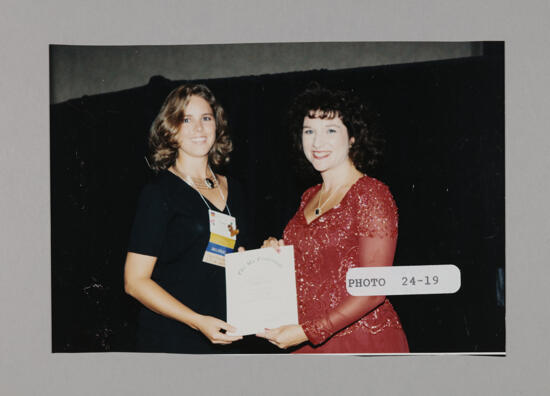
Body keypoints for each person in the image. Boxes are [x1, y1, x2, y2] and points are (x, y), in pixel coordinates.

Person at [257, 84, 409, 353]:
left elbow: (374, 290)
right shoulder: (309, 195)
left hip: (359, 343)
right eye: (309, 131)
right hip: (306, 342)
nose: (317, 142)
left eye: (330, 130)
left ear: (352, 137)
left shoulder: (370, 193)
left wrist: (308, 331)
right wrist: (275, 254)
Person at [124, 84, 247, 353]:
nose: (199, 128)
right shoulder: (158, 193)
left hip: (226, 332)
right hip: (173, 338)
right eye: (186, 120)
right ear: (171, 129)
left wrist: (264, 253)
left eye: (206, 118)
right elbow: (134, 282)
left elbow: (231, 254)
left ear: (217, 124)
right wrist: (197, 321)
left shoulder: (234, 188)